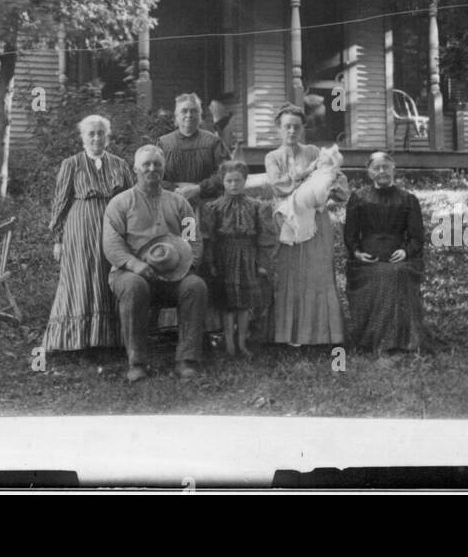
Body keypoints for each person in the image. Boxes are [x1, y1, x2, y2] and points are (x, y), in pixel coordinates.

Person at [103, 144, 208, 383]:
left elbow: (194, 239)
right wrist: (135, 265)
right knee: (134, 286)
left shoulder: (179, 203)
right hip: (130, 272)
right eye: (146, 164)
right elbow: (111, 245)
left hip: (174, 274)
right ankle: (137, 362)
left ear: (163, 169)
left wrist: (186, 267)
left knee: (196, 286)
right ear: (135, 170)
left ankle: (186, 360)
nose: (152, 169)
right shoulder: (120, 203)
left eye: (157, 164)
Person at [41, 115, 135, 355]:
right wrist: (58, 240)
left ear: (107, 136)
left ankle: (109, 340)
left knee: (108, 278)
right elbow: (60, 203)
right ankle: (77, 341)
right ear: (83, 137)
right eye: (91, 133)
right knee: (79, 281)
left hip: (112, 231)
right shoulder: (71, 164)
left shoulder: (120, 164)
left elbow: (130, 200)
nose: (96, 138)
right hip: (79, 233)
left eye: (100, 133)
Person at [264, 103, 348, 347]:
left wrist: (332, 184)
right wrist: (305, 173)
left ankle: (321, 335)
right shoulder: (273, 157)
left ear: (303, 129)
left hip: (316, 221)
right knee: (291, 274)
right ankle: (289, 335)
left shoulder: (313, 151)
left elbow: (336, 177)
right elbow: (278, 185)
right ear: (279, 129)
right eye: (287, 126)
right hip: (287, 221)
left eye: (296, 127)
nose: (291, 131)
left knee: (317, 274)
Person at [344, 151, 426, 364]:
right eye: (377, 168)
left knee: (393, 275)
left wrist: (406, 251)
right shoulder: (359, 198)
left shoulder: (408, 199)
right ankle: (370, 339)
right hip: (367, 259)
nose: (382, 171)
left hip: (397, 257)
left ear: (393, 169)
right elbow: (350, 235)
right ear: (369, 172)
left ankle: (397, 342)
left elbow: (418, 237)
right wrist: (357, 252)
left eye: (386, 167)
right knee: (379, 275)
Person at [201, 160, 277, 357]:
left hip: (247, 258)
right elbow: (209, 238)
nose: (233, 185)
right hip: (224, 258)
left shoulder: (256, 206)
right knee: (227, 303)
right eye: (229, 181)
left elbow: (266, 237)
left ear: (245, 181)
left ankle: (242, 343)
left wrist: (261, 263)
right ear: (222, 182)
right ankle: (229, 343)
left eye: (237, 180)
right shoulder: (213, 207)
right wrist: (211, 262)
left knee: (244, 304)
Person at [159, 92, 231, 202]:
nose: (189, 115)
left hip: (208, 205)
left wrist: (199, 188)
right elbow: (154, 175)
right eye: (184, 111)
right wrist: (175, 190)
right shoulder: (164, 143)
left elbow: (227, 172)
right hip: (172, 205)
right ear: (176, 116)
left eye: (194, 111)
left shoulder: (213, 142)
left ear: (200, 115)